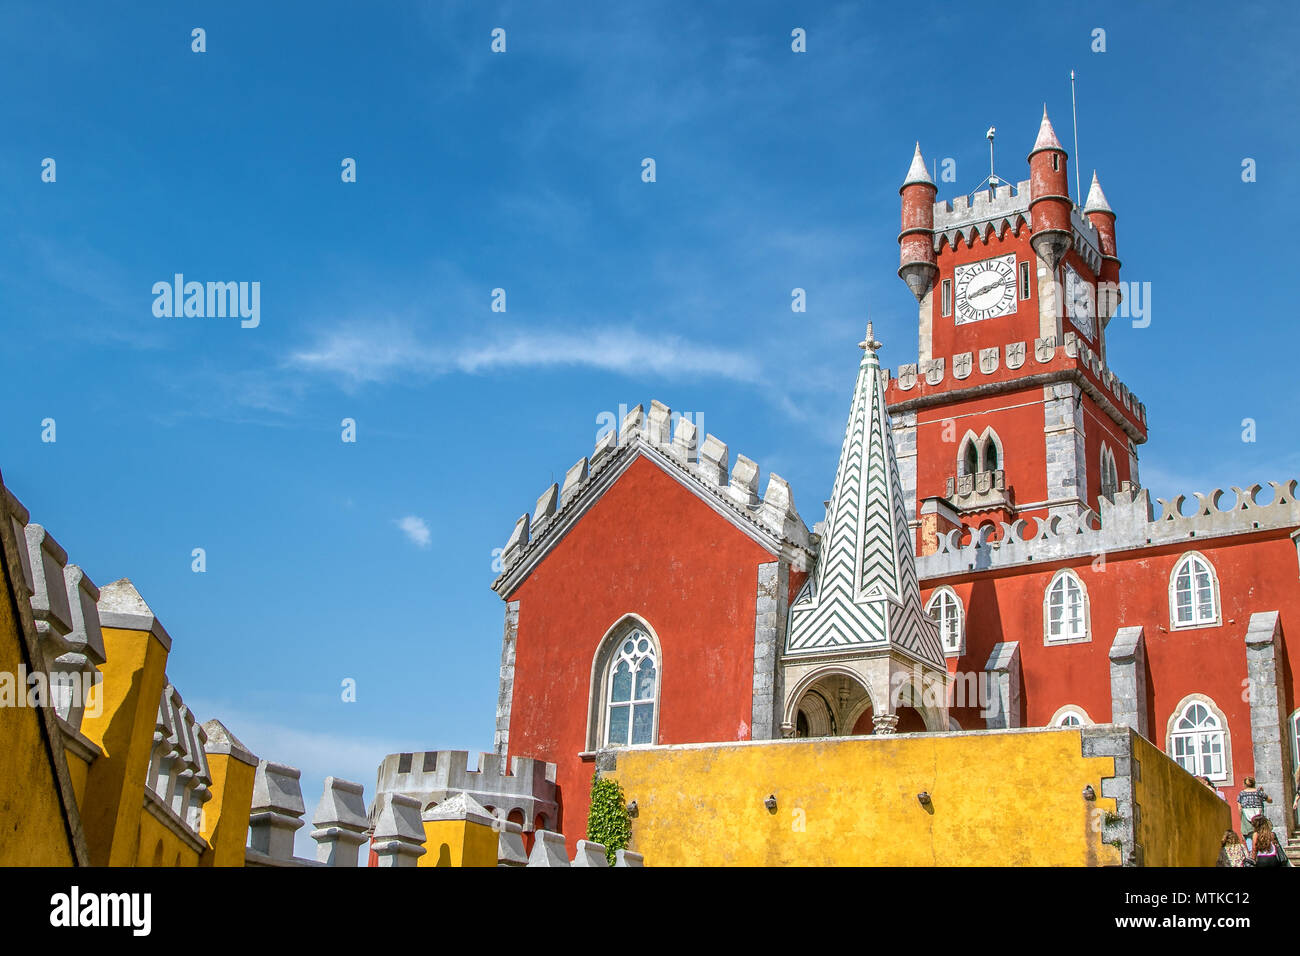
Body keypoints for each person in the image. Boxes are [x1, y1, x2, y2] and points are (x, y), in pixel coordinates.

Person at [1237, 777, 1271, 849]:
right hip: (1259, 819)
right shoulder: (1259, 792)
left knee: (1248, 836)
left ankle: (1252, 855)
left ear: (1244, 784)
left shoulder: (1241, 794)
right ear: (1254, 784)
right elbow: (1270, 800)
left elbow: (1239, 809)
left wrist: (1241, 820)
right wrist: (1262, 793)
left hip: (1246, 819)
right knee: (1261, 835)